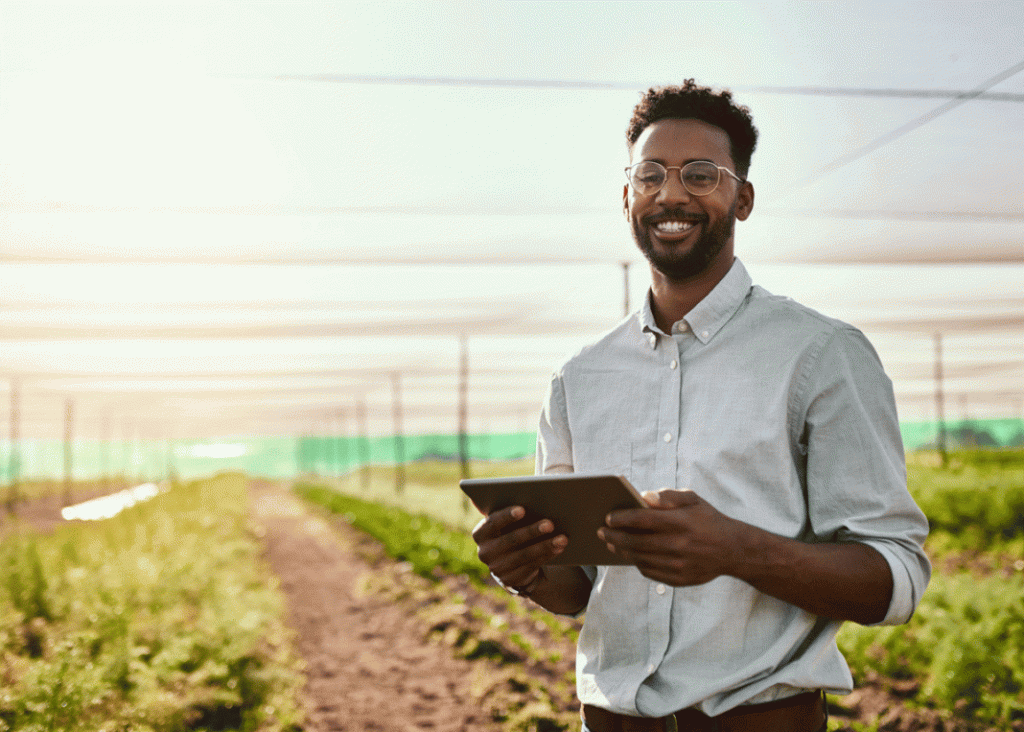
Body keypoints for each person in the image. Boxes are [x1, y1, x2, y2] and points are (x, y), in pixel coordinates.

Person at [472, 80, 931, 732]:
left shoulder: (821, 355)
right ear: (627, 196)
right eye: (650, 175)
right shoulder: (580, 376)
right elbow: (576, 591)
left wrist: (736, 551)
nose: (671, 193)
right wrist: (527, 570)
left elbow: (894, 578)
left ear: (742, 198)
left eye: (700, 174)